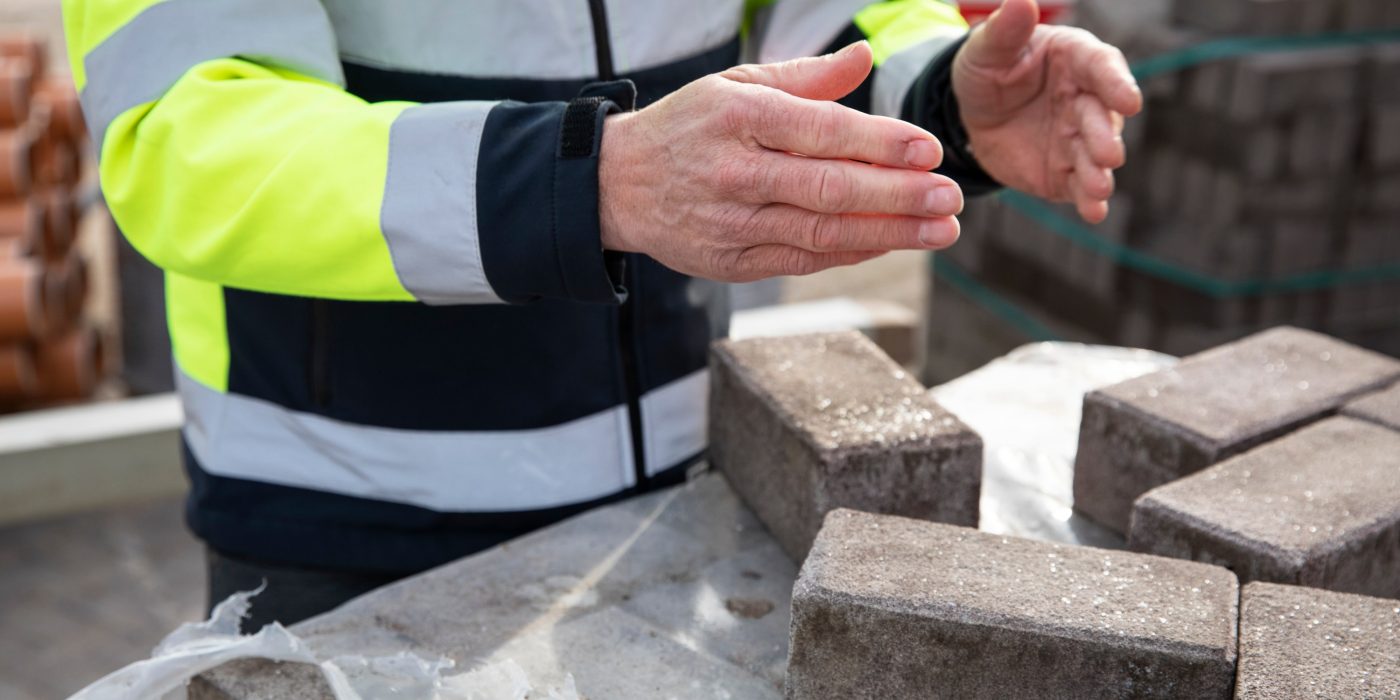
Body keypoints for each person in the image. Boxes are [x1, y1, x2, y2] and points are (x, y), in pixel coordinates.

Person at [64, 0, 1140, 630]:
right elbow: (186, 132)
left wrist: (938, 95)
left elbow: (818, 19)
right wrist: (584, 182)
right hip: (345, 509)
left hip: (684, 474)